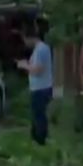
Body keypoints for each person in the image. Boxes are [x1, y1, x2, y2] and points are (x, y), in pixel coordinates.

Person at [16, 17, 53, 145]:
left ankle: (40, 141)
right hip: (40, 87)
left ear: (30, 37)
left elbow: (38, 70)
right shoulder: (41, 49)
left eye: (25, 39)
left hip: (40, 89)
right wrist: (28, 65)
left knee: (39, 116)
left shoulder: (41, 49)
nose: (25, 43)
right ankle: (36, 139)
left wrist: (23, 65)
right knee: (37, 115)